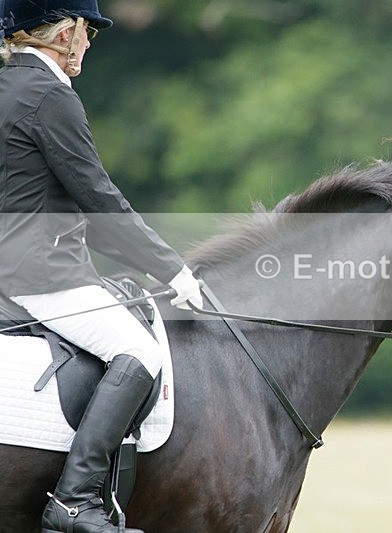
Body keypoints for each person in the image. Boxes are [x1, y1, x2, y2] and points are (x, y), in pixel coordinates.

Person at [0, 2, 202, 532]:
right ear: (65, 33)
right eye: (88, 31)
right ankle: (74, 499)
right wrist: (172, 269)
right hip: (40, 276)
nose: (90, 43)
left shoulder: (6, 88)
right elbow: (99, 199)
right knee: (139, 349)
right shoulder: (49, 97)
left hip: (10, 271)